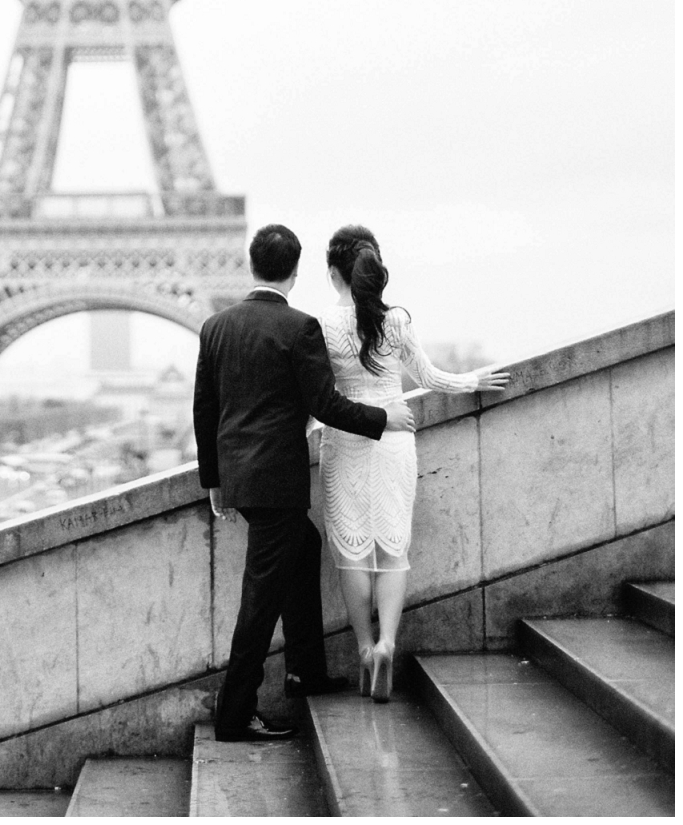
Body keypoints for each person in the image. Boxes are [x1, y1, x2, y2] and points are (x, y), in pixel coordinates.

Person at [193, 223, 416, 743]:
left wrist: (213, 481)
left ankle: (304, 670)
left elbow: (204, 411)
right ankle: (235, 713)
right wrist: (384, 420)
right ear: (295, 271)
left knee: (305, 544)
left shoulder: (215, 327)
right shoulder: (298, 328)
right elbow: (324, 405)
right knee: (258, 601)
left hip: (241, 478)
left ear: (253, 265)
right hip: (277, 479)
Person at [319, 224, 510, 703]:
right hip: (395, 438)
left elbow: (315, 399)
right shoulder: (396, 321)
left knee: (352, 551)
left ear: (332, 273)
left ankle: (365, 649)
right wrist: (473, 380)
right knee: (392, 547)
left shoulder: (322, 326)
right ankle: (389, 643)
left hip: (345, 439)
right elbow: (429, 377)